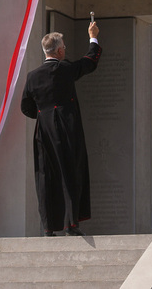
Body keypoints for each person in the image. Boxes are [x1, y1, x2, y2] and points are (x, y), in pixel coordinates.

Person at [21, 22, 101, 236]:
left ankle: (49, 227)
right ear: (59, 51)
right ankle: (71, 224)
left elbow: (26, 107)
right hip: (66, 128)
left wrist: (43, 115)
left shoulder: (32, 76)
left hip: (43, 131)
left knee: (46, 176)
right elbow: (89, 62)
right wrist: (93, 37)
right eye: (63, 47)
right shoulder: (64, 69)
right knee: (70, 172)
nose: (65, 49)